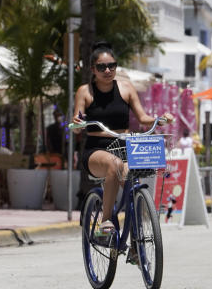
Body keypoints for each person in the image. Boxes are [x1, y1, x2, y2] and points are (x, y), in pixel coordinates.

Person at [71, 42, 173, 234]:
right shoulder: (85, 91)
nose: (107, 70)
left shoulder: (126, 88)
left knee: (133, 185)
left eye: (112, 65)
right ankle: (106, 219)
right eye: (101, 67)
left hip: (125, 146)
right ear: (93, 69)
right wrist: (77, 123)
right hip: (95, 149)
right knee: (114, 164)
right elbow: (78, 122)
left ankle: (136, 243)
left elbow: (143, 118)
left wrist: (159, 119)